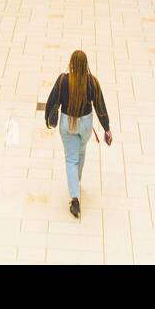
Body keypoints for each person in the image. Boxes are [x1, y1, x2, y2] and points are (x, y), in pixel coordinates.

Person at [44, 49, 112, 219]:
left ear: (71, 64)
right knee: (81, 153)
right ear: (86, 65)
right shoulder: (92, 83)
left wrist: (47, 119)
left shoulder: (63, 81)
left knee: (71, 160)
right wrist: (107, 128)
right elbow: (100, 106)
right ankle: (77, 181)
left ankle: (75, 199)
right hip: (86, 125)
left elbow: (52, 101)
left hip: (68, 124)